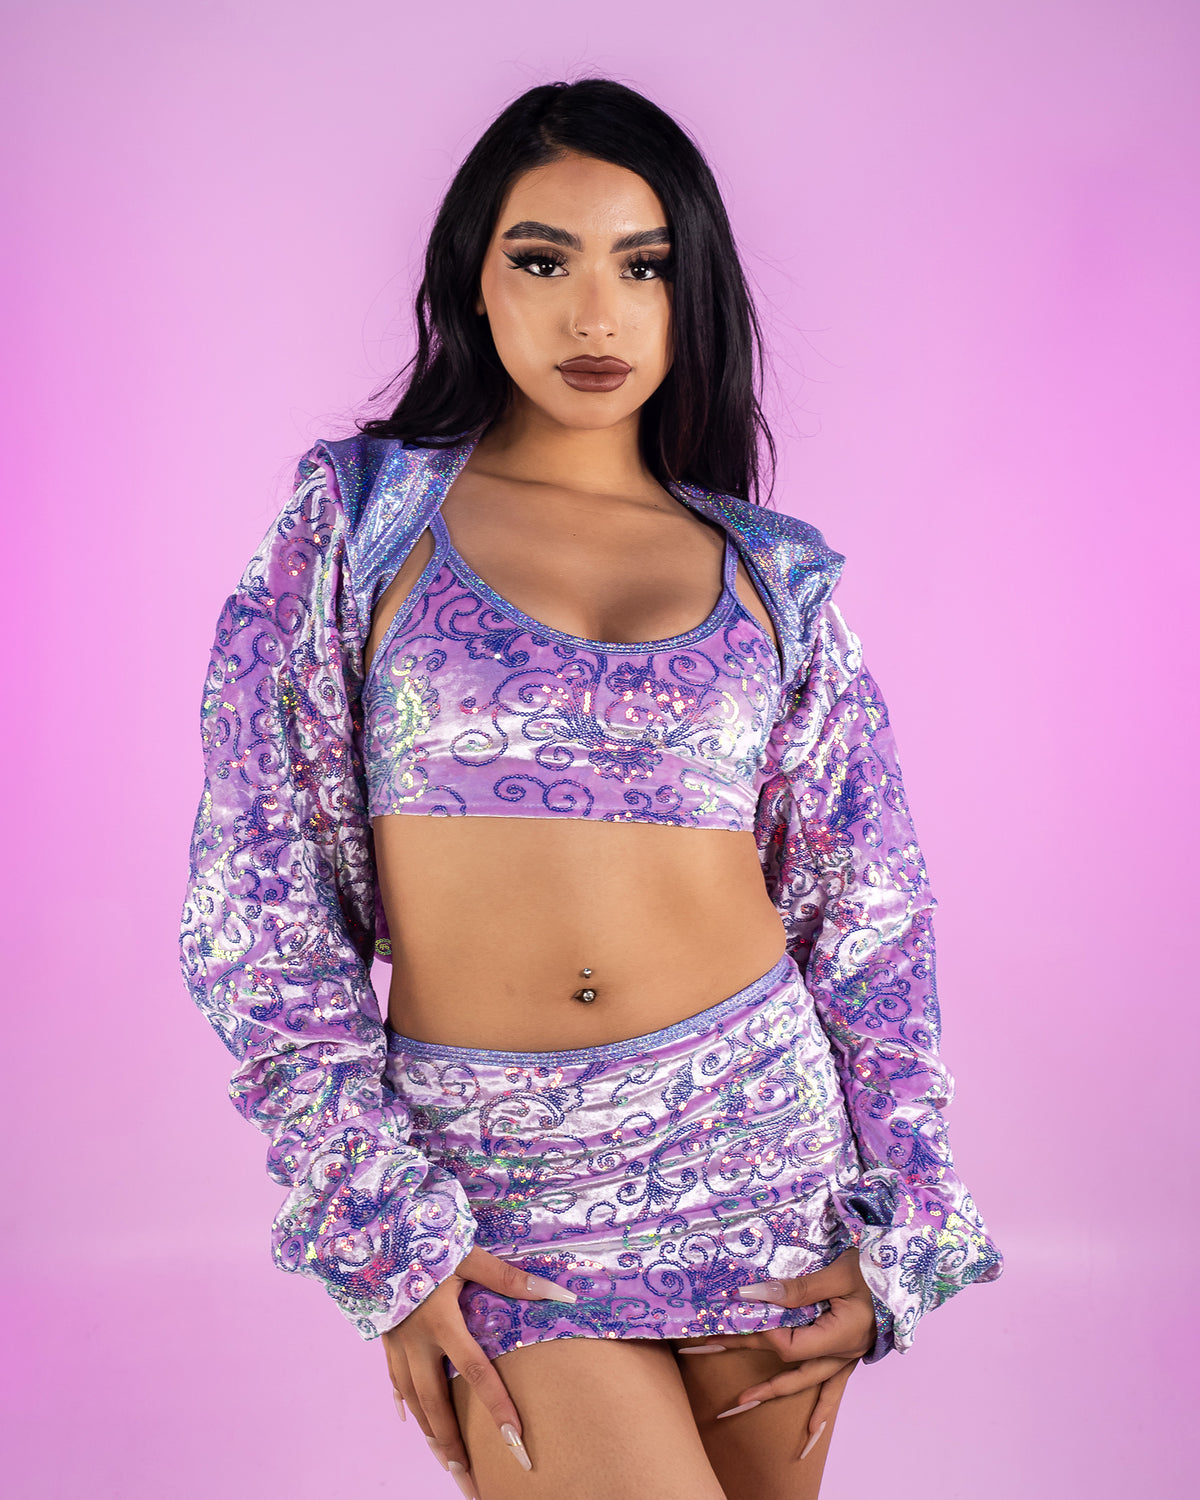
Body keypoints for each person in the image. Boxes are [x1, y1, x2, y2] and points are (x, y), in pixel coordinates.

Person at [180, 78, 1003, 1500]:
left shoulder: (775, 576)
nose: (596, 316)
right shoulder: (359, 526)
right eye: (545, 260)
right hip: (500, 1193)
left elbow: (870, 922)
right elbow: (262, 906)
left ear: (693, 293)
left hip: (760, 1155)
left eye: (644, 266)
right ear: (474, 280)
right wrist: (381, 1224)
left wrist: (908, 1218)